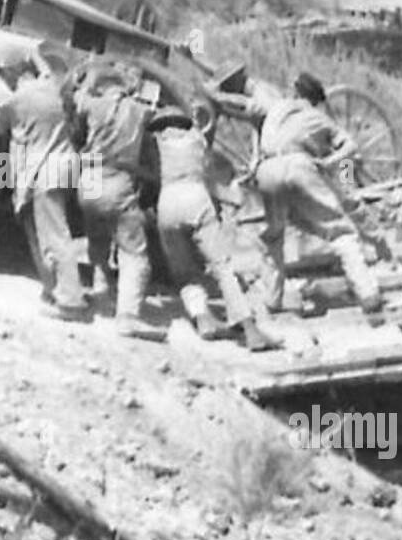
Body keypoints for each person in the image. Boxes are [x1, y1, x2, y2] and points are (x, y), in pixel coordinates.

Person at [216, 72, 384, 314]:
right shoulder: (316, 117)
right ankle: (368, 293)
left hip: (268, 171)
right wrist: (332, 163)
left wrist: (214, 95)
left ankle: (272, 299)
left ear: (295, 94)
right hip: (300, 167)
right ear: (315, 101)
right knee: (341, 233)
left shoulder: (275, 108)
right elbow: (350, 151)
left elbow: (246, 110)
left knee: (274, 237)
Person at [150, 108, 280, 351]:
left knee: (185, 272)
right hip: (201, 196)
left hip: (166, 204)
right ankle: (252, 327)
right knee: (224, 266)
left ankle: (202, 319)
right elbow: (207, 127)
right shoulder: (196, 138)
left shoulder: (156, 143)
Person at [72, 59, 165, 341]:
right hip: (117, 183)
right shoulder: (141, 111)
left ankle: (100, 290)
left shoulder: (90, 104)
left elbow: (75, 96)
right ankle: (128, 317)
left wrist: (87, 77)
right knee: (134, 252)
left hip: (87, 183)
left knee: (97, 236)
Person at [0, 53, 87, 322]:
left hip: (44, 171)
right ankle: (54, 289)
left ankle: (71, 300)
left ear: (11, 75)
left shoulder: (15, 101)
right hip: (71, 165)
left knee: (54, 235)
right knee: (54, 231)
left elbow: (12, 143)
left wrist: (9, 186)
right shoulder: (56, 88)